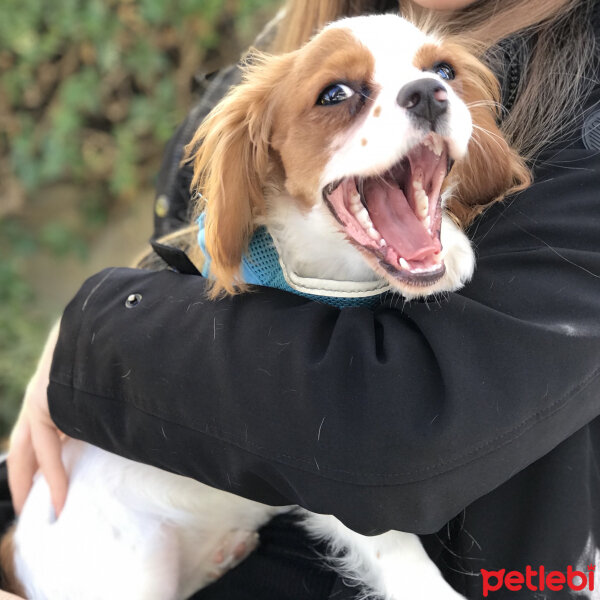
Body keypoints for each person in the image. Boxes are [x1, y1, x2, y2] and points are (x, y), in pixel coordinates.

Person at [3, 0, 600, 598]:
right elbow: (202, 262)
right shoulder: (283, 57)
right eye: (339, 93)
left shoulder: (580, 110)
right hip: (103, 528)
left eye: (441, 75)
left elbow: (381, 428)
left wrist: (100, 334)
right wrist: (95, 334)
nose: (424, 92)